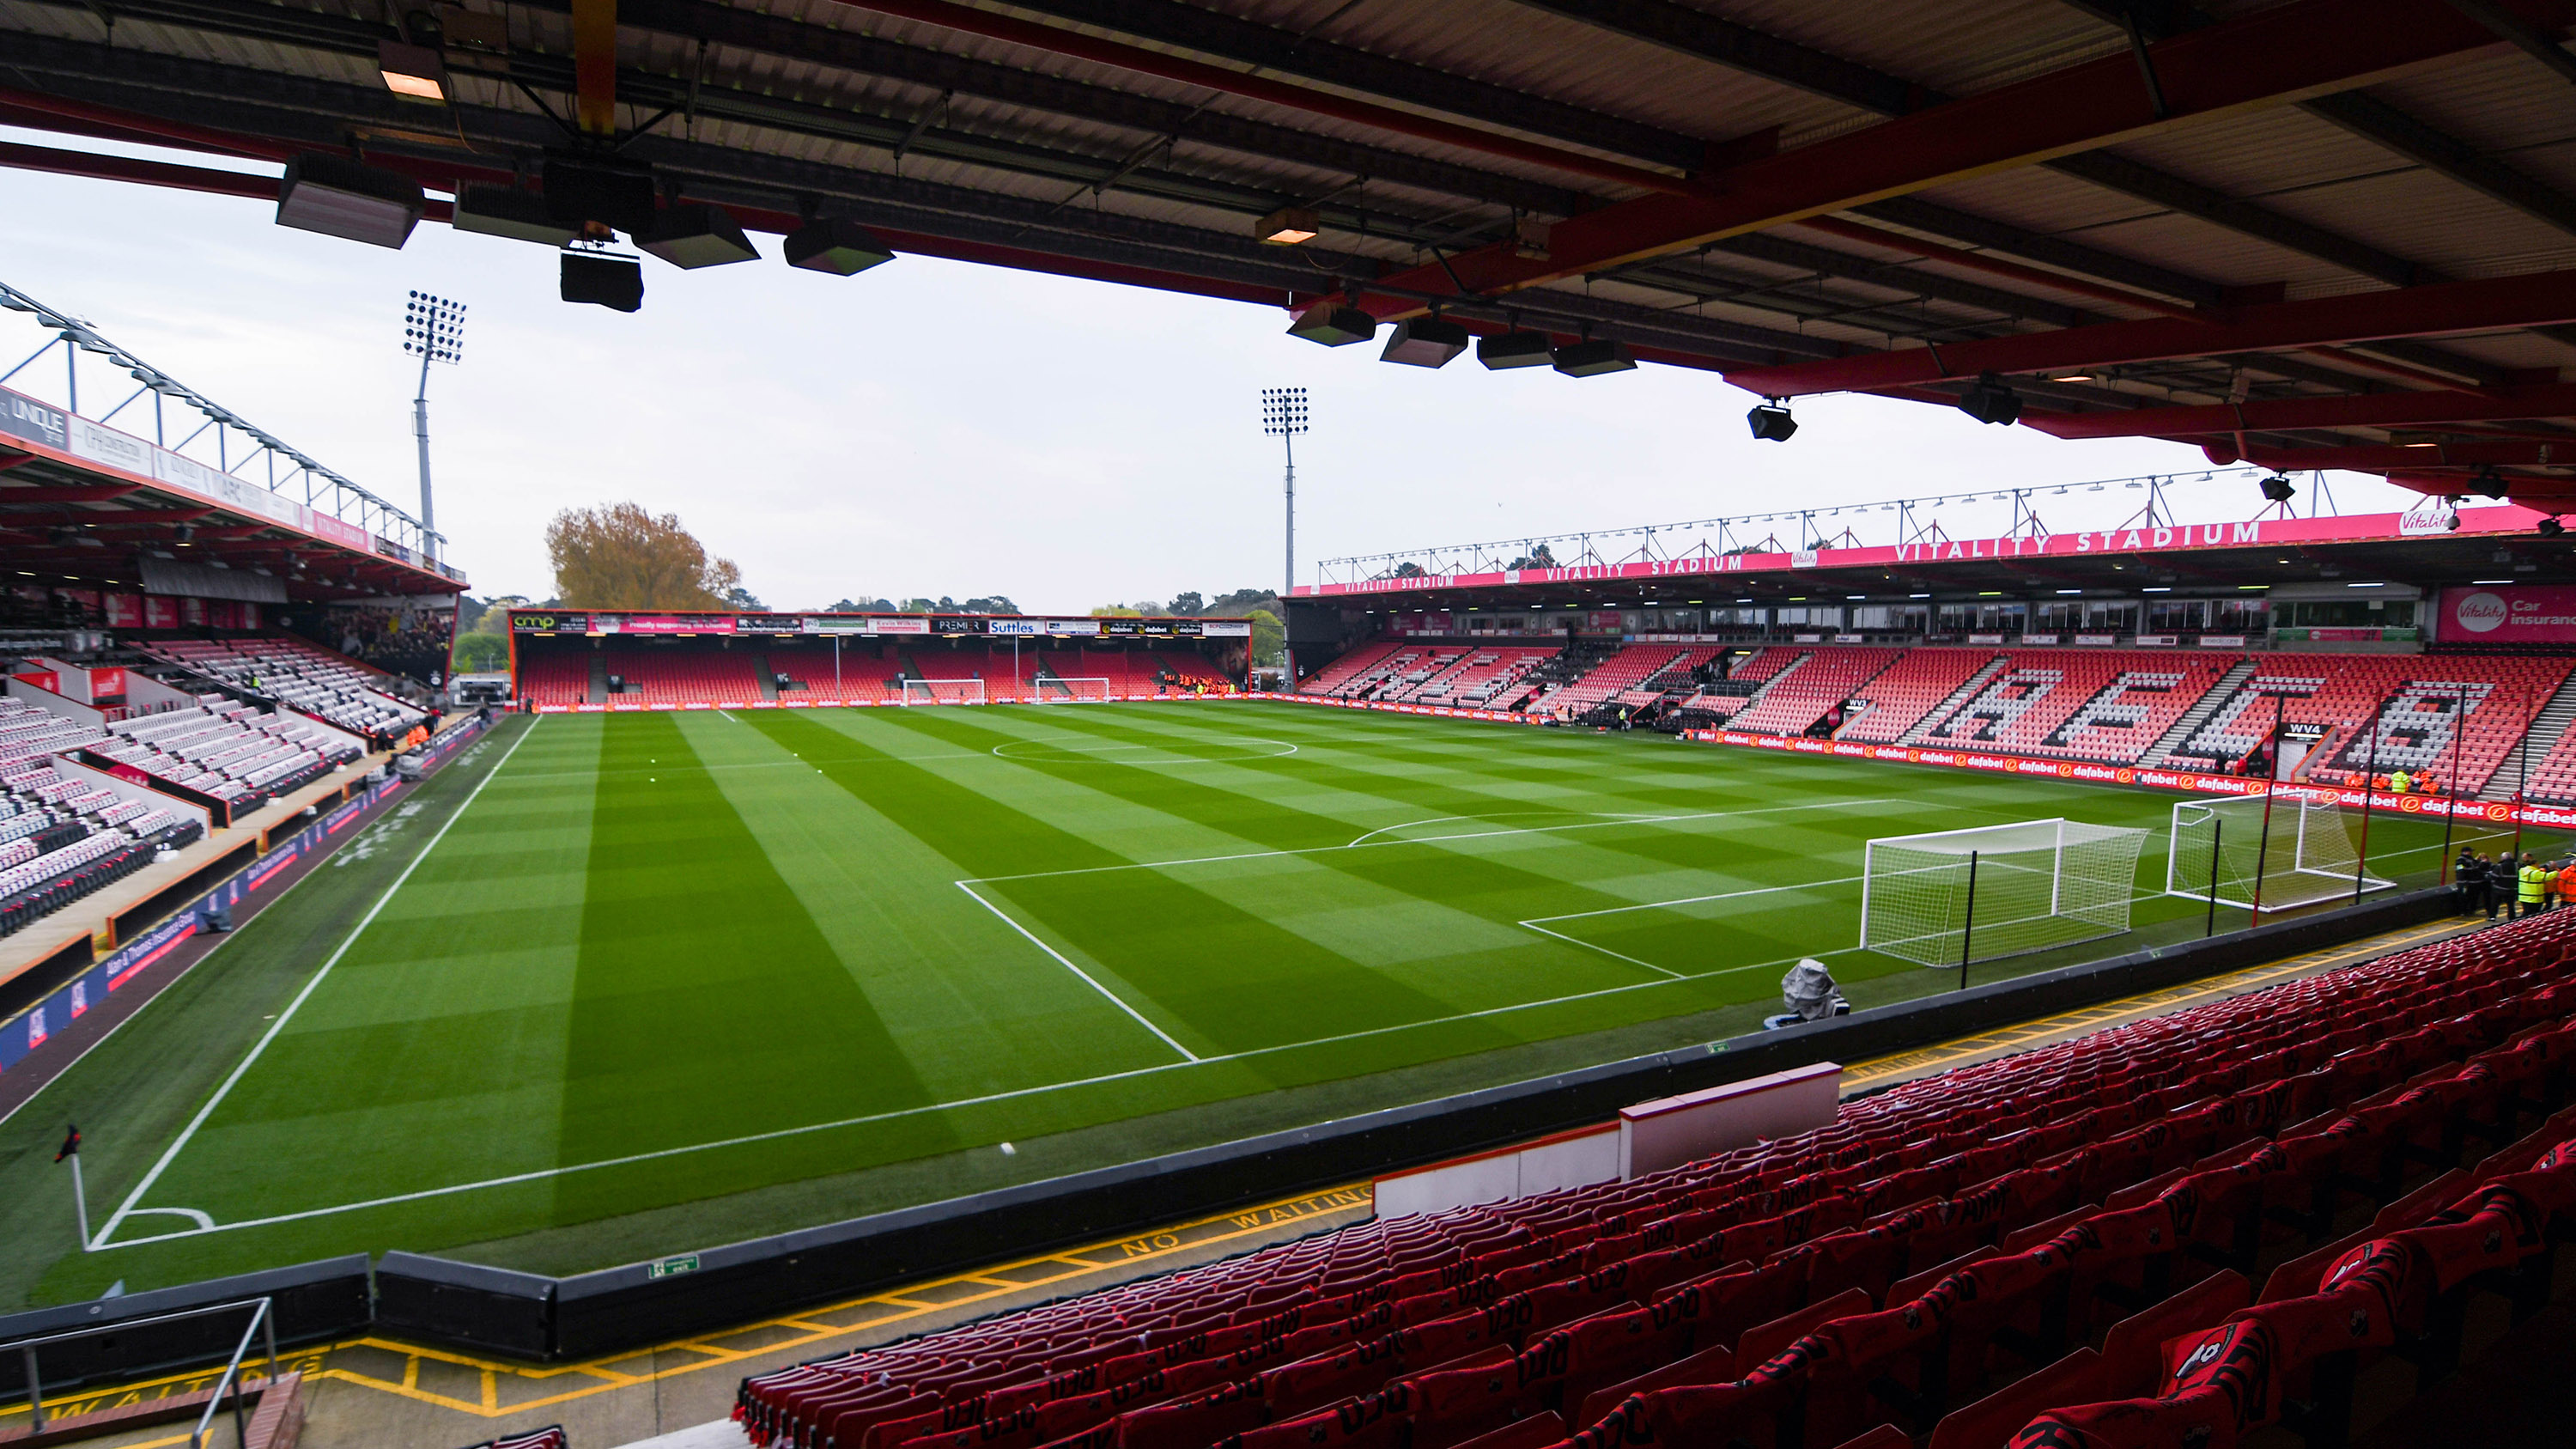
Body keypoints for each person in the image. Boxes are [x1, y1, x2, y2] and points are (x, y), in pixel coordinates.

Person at [2518, 854, 2549, 919]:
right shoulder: (2535, 873)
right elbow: (2546, 877)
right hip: (2534, 897)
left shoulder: (2522, 870)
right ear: (2534, 864)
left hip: (2524, 896)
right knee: (2534, 913)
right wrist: (2556, 873)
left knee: (2526, 912)